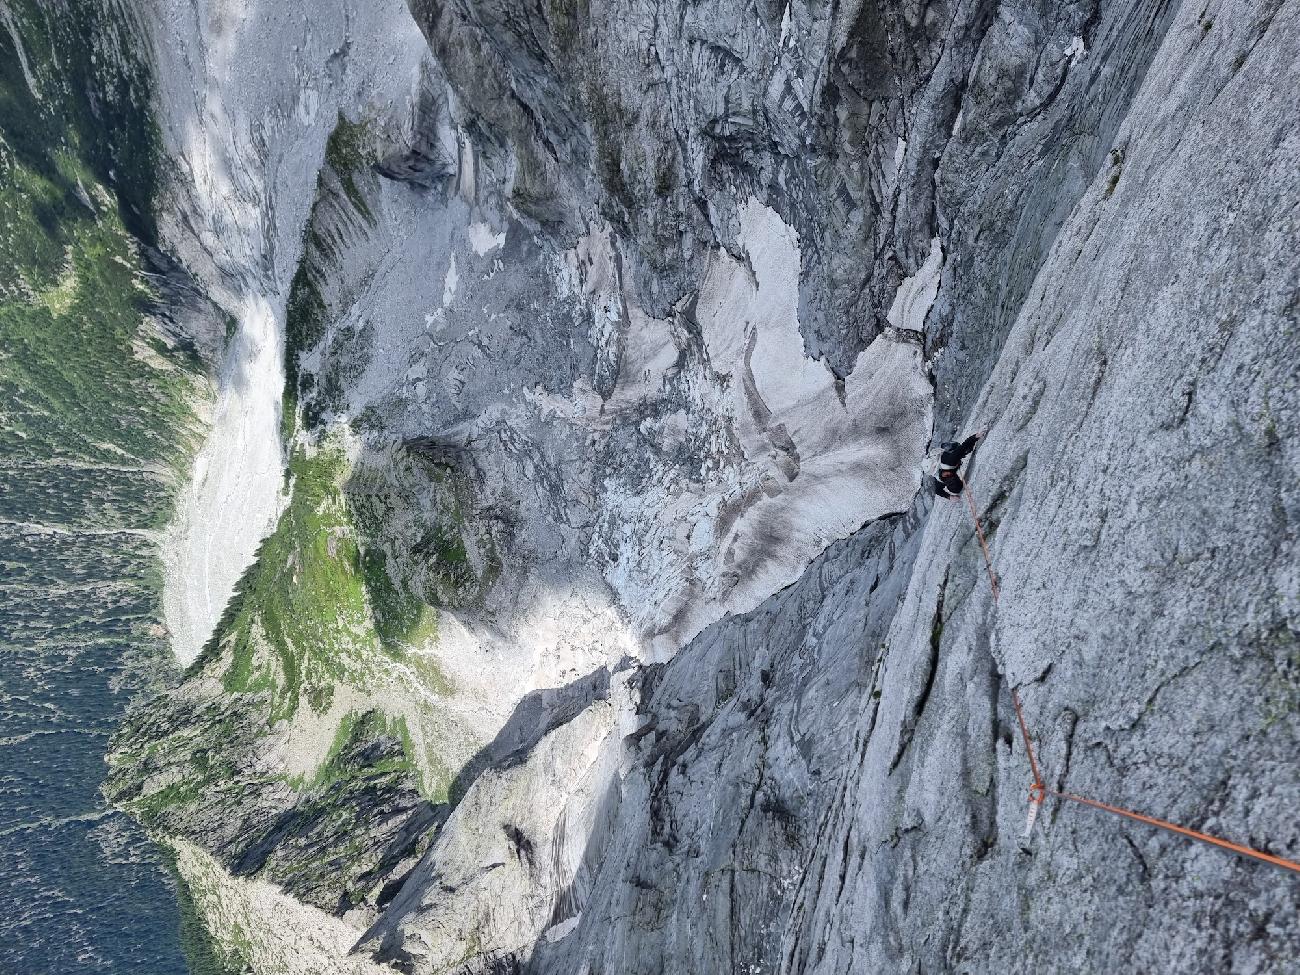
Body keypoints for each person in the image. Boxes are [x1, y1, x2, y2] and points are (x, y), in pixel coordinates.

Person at [932, 431, 985, 498]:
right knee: (962, 453)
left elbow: (964, 446)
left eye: (959, 478)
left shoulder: (950, 461)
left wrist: (976, 436)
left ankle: (949, 446)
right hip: (937, 463)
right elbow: (937, 491)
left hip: (945, 454)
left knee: (966, 450)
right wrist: (950, 497)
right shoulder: (940, 481)